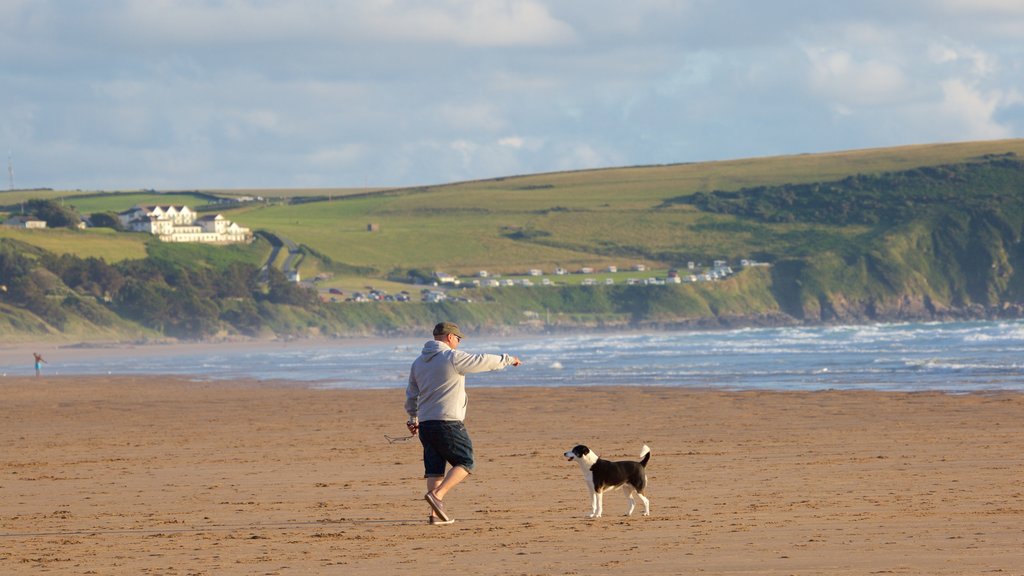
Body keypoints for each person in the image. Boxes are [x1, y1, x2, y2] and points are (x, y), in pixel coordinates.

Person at [405, 321, 521, 525]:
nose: (458, 342)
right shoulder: (451, 357)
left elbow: (412, 395)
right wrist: (508, 359)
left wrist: (413, 418)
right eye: (458, 339)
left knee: (435, 469)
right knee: (466, 462)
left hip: (426, 423)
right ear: (449, 337)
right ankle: (437, 496)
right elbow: (482, 360)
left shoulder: (418, 363)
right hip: (448, 422)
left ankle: (434, 516)